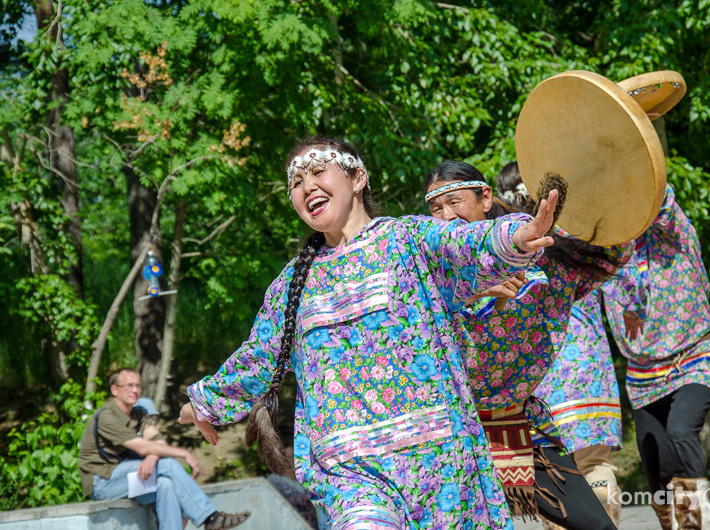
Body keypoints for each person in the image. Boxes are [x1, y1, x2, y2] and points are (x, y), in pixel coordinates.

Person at [178, 136, 560, 530]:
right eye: (295, 181)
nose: (306, 186)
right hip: (351, 476)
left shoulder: (409, 241)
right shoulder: (293, 283)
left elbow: (467, 243)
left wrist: (518, 237)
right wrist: (204, 402)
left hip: (441, 465)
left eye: (316, 172)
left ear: (358, 177)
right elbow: (257, 357)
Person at [424, 160, 631, 530]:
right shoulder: (428, 265)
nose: (445, 216)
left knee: (597, 526)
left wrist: (606, 181)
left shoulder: (544, 259)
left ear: (485, 197)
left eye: (454, 202)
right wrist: (470, 293)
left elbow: (613, 247)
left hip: (518, 425)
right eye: (436, 209)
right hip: (451, 434)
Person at [497, 161, 625, 528]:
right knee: (595, 467)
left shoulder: (507, 245)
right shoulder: (577, 233)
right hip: (590, 367)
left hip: (544, 370)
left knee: (559, 481)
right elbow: (619, 261)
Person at [601, 184, 710, 530]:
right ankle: (671, 523)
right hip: (643, 375)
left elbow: (660, 195)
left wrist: (629, 167)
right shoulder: (613, 255)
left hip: (694, 356)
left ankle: (694, 521)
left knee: (680, 431)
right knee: (656, 470)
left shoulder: (677, 238)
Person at [78, 367, 250, 530]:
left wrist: (152, 458)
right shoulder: (107, 416)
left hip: (129, 478)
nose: (135, 390)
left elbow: (157, 443)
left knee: (166, 484)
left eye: (137, 385)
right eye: (129, 386)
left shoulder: (138, 414)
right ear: (114, 390)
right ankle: (210, 518)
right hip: (103, 483)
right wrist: (183, 453)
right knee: (167, 465)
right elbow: (142, 446)